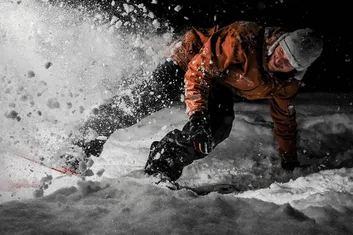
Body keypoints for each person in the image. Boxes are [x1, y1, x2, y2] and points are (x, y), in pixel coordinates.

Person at [65, 20, 323, 181]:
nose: (280, 60)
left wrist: (289, 160)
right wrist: (197, 114)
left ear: (298, 68)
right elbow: (198, 71)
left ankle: (162, 166)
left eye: (289, 61)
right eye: (281, 51)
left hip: (219, 81)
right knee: (139, 103)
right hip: (189, 60)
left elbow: (283, 119)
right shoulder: (242, 38)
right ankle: (79, 144)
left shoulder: (285, 84)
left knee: (216, 129)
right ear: (278, 41)